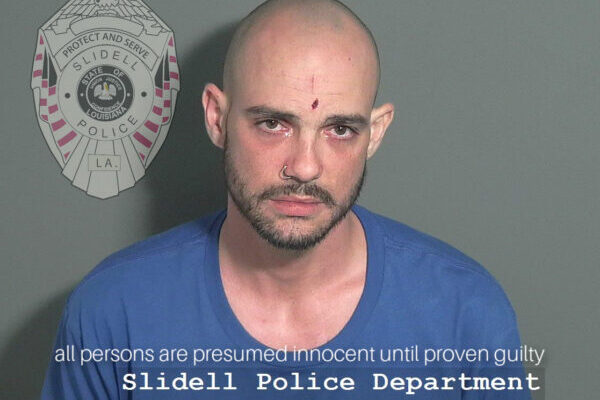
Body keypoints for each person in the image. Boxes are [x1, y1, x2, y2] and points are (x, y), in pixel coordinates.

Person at [42, 0, 531, 398]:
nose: (304, 167)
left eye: (340, 129)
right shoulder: (113, 310)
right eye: (273, 123)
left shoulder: (466, 312)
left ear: (376, 133)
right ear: (217, 118)